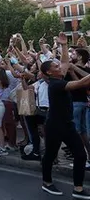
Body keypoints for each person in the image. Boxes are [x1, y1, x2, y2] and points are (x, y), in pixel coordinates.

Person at [40, 32, 90, 199]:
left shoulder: (57, 77)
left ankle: (78, 188)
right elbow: (81, 83)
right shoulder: (55, 85)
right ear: (48, 73)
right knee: (50, 155)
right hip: (54, 126)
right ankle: (47, 183)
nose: (59, 67)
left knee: (81, 155)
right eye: (55, 67)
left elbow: (65, 62)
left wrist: (63, 44)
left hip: (68, 125)